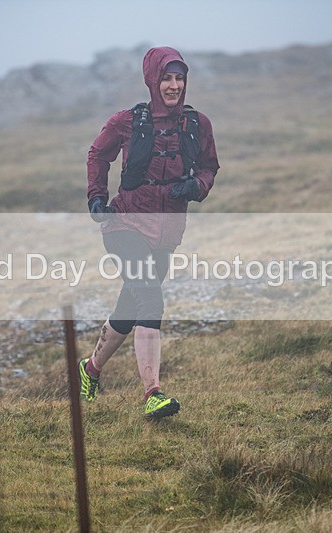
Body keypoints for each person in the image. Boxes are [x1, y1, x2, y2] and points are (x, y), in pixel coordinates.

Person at [79, 46, 220, 419]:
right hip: (124, 225)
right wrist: (97, 197)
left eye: (179, 78)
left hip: (167, 233)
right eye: (166, 78)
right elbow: (98, 154)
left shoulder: (197, 124)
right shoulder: (128, 121)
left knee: (130, 308)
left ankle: (90, 369)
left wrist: (196, 187)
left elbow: (209, 167)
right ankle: (152, 394)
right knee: (151, 302)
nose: (173, 85)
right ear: (152, 80)